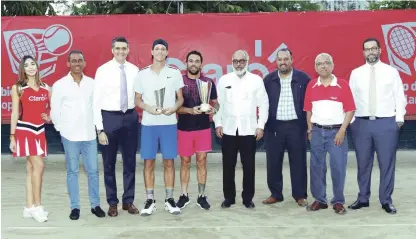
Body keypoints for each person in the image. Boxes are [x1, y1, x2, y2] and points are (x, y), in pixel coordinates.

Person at [348, 38, 407, 214]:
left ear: (380, 50)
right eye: (367, 49)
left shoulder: (391, 72)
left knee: (387, 164)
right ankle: (363, 198)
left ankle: (386, 200)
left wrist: (399, 120)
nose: (371, 52)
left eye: (374, 48)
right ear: (363, 52)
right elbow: (350, 99)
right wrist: (351, 122)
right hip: (361, 124)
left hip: (386, 123)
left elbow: (399, 97)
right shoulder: (356, 73)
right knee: (363, 163)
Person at [50, 50, 106, 220]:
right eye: (73, 60)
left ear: (84, 63)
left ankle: (95, 205)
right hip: (70, 137)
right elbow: (55, 111)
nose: (77, 63)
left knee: (93, 172)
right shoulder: (60, 85)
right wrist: (62, 129)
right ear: (68, 63)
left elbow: (96, 109)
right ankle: (75, 207)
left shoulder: (92, 83)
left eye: (80, 60)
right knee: (72, 172)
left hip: (89, 136)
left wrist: (99, 130)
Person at [214, 49, 269, 209]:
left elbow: (263, 104)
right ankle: (229, 198)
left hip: (249, 130)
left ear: (247, 62)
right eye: (236, 61)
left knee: (249, 166)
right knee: (228, 166)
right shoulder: (224, 80)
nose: (239, 64)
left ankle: (247, 199)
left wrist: (260, 126)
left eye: (242, 61)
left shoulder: (256, 80)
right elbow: (219, 104)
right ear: (232, 62)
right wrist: (218, 123)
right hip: (228, 130)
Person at [135, 39, 184, 216]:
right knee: (148, 162)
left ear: (167, 53)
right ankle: (150, 200)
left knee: (169, 162)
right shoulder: (142, 74)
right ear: (152, 51)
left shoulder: (174, 73)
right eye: (157, 48)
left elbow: (180, 98)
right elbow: (137, 100)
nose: (160, 51)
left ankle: (169, 199)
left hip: (169, 124)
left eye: (163, 49)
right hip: (149, 124)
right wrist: (149, 108)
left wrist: (174, 108)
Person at [93, 37, 140, 217]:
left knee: (130, 162)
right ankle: (112, 203)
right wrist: (99, 129)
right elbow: (95, 102)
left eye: (124, 48)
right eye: (118, 48)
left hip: (130, 117)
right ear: (112, 50)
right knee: (109, 163)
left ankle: (128, 201)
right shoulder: (103, 70)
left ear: (128, 50)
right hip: (109, 118)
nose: (121, 51)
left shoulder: (134, 70)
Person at [304, 53, 355, 214]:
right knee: (316, 167)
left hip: (337, 132)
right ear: (315, 68)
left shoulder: (343, 85)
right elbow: (308, 110)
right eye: (319, 64)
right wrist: (310, 129)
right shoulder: (311, 85)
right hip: (317, 132)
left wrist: (342, 130)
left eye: (327, 63)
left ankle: (338, 201)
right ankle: (320, 200)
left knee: (338, 166)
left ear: (332, 65)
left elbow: (350, 110)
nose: (323, 66)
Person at [263, 48, 311, 207]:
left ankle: (300, 195)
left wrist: (309, 125)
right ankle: (276, 194)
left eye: (286, 59)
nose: (282, 62)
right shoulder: (268, 80)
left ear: (292, 60)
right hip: (274, 127)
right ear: (276, 61)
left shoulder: (303, 78)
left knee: (298, 162)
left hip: (296, 126)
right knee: (273, 161)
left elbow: (309, 103)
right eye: (279, 59)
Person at [9, 55, 50, 222]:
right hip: (25, 130)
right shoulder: (18, 88)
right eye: (27, 65)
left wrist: (48, 117)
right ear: (23, 69)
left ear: (37, 66)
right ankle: (38, 207)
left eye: (33, 64)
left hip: (40, 131)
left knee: (31, 169)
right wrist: (12, 136)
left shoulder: (46, 87)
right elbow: (14, 113)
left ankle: (28, 207)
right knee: (39, 166)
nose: (31, 67)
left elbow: (51, 112)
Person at [175, 50, 218, 210]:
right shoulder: (179, 82)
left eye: (197, 61)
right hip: (184, 129)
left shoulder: (209, 82)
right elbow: (175, 108)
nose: (194, 63)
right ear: (186, 63)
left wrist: (214, 109)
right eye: (191, 61)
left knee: (201, 162)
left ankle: (201, 196)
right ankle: (184, 195)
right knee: (185, 162)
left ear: (201, 64)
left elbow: (216, 103)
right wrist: (190, 110)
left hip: (203, 129)